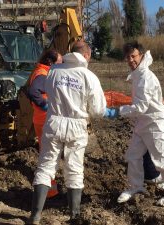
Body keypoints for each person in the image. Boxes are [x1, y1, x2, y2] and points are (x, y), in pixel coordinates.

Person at [27, 41, 107, 224]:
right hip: (77, 126)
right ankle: (74, 216)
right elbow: (98, 110)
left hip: (53, 122)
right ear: (86, 56)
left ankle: (35, 215)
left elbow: (42, 90)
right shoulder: (89, 76)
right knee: (74, 169)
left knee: (46, 166)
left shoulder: (54, 71)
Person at [108, 41, 164, 209]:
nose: (130, 60)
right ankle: (136, 187)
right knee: (133, 155)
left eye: (134, 56)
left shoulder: (145, 78)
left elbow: (140, 107)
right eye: (128, 57)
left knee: (161, 160)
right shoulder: (138, 75)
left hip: (155, 124)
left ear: (142, 56)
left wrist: (117, 112)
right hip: (144, 123)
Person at [27, 49, 63, 198]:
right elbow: (34, 92)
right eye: (60, 63)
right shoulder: (42, 74)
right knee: (48, 156)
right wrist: (45, 106)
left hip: (43, 120)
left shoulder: (43, 71)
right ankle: (49, 193)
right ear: (51, 62)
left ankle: (50, 191)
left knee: (48, 155)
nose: (61, 66)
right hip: (44, 120)